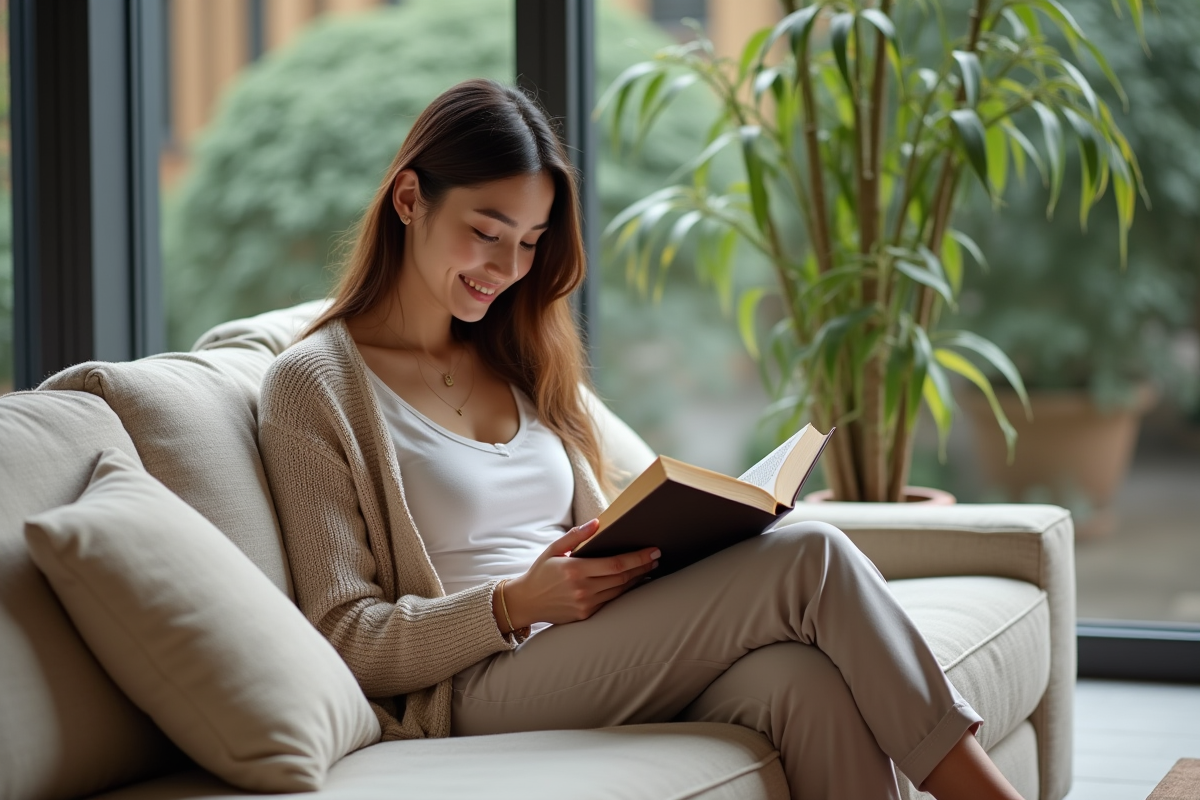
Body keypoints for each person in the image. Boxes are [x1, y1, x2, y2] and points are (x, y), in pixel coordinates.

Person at [257, 78, 1024, 800]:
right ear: (409, 198)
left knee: (802, 682)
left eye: (529, 242)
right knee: (812, 557)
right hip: (476, 678)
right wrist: (512, 603)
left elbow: (601, 524)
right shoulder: (314, 385)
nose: (506, 268)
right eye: (486, 233)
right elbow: (344, 633)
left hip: (594, 641)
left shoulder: (518, 357)